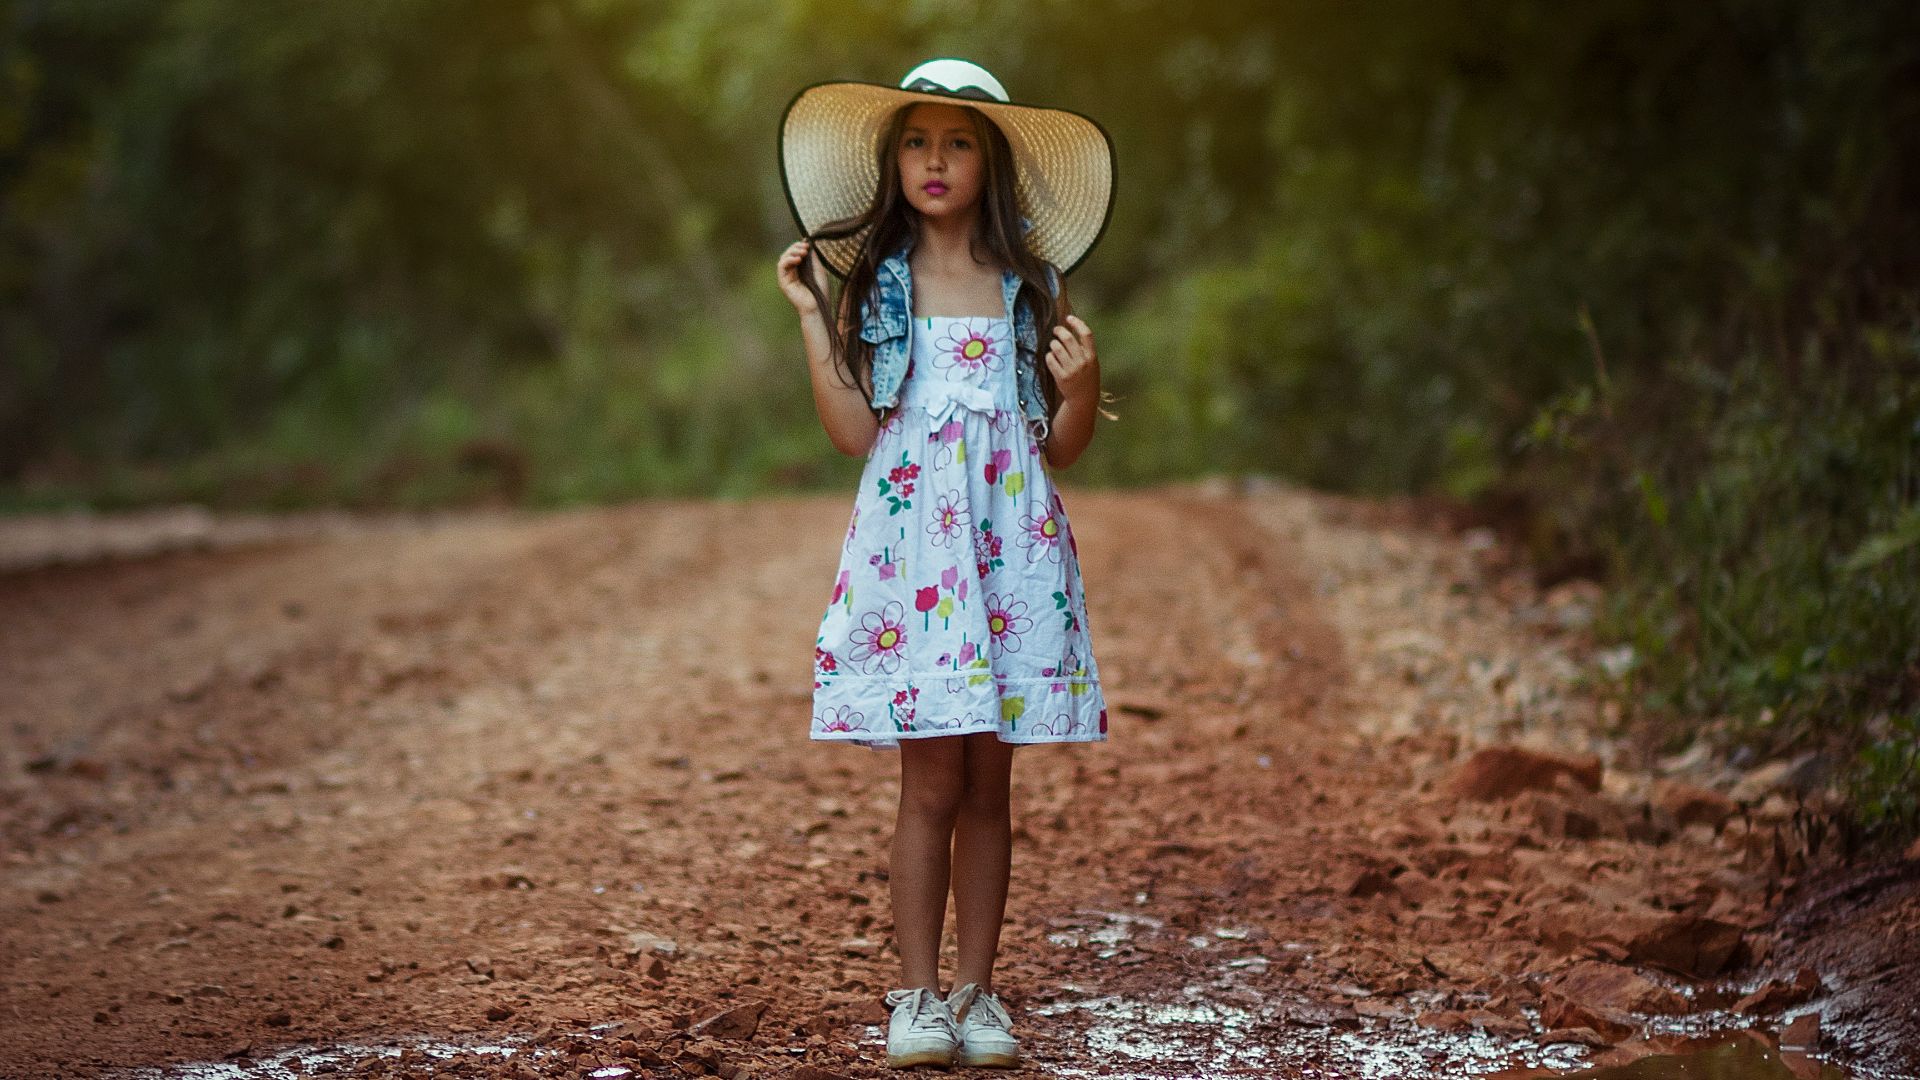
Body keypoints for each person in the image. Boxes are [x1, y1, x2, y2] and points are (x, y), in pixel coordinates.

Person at [774, 58, 1117, 1070]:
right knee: (929, 781)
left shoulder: (1030, 288)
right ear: (894, 162)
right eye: (917, 143)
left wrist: (1083, 389)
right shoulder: (877, 285)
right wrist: (810, 316)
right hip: (917, 556)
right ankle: (916, 995)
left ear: (989, 163)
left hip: (1008, 554)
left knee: (988, 785)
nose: (935, 160)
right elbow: (853, 432)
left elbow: (1061, 446)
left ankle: (977, 993)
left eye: (958, 142)